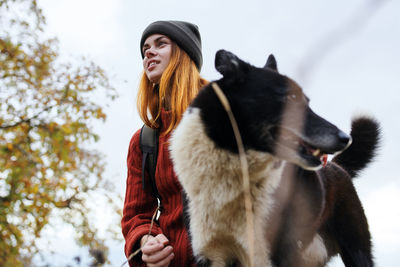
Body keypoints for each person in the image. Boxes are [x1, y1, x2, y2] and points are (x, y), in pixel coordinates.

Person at [121, 20, 208, 267]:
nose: (149, 51)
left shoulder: (228, 115)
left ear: (183, 54)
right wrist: (145, 242)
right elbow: (135, 216)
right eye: (146, 48)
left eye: (161, 44)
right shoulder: (144, 142)